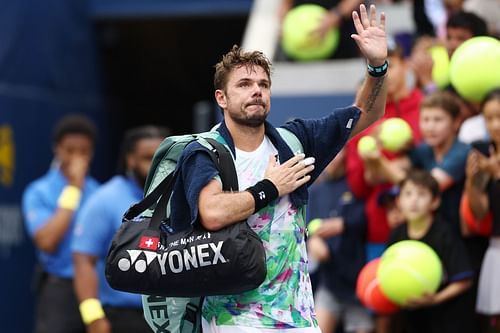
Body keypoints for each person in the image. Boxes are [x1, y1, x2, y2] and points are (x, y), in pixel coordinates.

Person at [168, 4, 388, 332]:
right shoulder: (205, 151)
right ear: (221, 98)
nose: (256, 89)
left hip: (297, 318)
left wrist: (377, 66)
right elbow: (212, 212)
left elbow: (367, 113)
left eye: (263, 84)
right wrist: (270, 187)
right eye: (244, 84)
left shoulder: (295, 140)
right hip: (234, 320)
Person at [72, 126, 168, 333]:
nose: (156, 165)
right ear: (130, 160)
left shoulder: (183, 197)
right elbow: (83, 261)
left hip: (172, 317)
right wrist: (93, 318)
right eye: (147, 157)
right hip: (124, 318)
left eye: (162, 157)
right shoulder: (105, 199)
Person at [22, 114, 100, 333]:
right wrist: (73, 189)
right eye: (70, 150)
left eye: (83, 152)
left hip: (96, 291)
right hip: (60, 291)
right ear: (57, 149)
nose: (77, 158)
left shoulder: (100, 194)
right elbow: (47, 241)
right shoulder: (38, 191)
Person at [388, 169, 474, 333]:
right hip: (413, 318)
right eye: (408, 194)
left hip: (447, 318)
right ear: (398, 201)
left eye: (421, 195)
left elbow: (465, 280)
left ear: (435, 202)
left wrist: (435, 299)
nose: (414, 201)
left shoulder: (445, 233)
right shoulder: (397, 234)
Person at [306, 148, 373, 333]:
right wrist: (311, 241)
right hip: (329, 284)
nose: (334, 158)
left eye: (339, 152)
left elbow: (369, 220)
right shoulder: (315, 191)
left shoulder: (357, 185)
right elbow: (306, 228)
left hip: (358, 284)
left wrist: (344, 224)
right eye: (331, 152)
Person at [462, 89, 500, 332]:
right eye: (488, 118)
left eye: (499, 116)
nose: (494, 125)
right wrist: (471, 182)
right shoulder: (483, 151)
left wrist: (496, 173)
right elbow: (480, 213)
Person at [278, 0, 362, 59]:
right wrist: (283, 24)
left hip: (341, 40)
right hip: (299, 48)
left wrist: (336, 15)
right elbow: (285, 4)